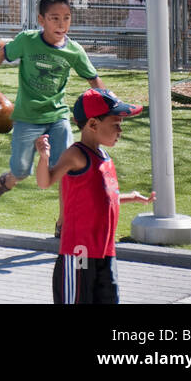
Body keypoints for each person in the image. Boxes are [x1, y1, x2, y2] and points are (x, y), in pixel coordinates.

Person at [0, 0, 105, 206]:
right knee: (21, 171)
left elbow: (94, 80)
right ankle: (7, 181)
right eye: (54, 18)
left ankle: (63, 222)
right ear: (41, 20)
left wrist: (106, 107)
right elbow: (1, 54)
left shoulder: (74, 51)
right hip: (27, 117)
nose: (61, 24)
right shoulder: (27, 41)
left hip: (58, 116)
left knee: (67, 169)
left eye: (66, 17)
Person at [35, 88, 151, 304]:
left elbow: (103, 198)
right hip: (79, 254)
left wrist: (131, 197)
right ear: (93, 124)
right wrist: (44, 158)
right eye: (116, 124)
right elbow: (45, 182)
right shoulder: (76, 154)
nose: (120, 130)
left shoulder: (104, 157)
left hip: (105, 253)